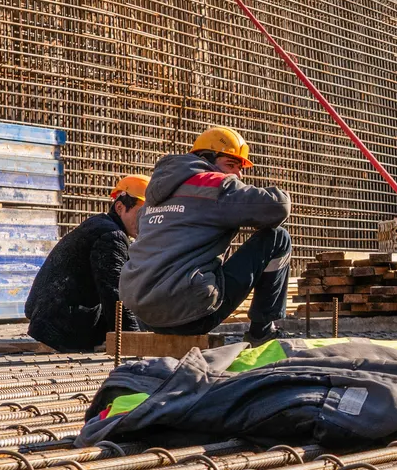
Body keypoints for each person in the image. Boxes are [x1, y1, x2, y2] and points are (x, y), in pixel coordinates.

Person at [119, 126, 291, 343]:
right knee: (277, 238)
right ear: (206, 159)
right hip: (192, 312)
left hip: (145, 315)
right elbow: (278, 206)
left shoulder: (154, 195)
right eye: (231, 165)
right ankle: (263, 330)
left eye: (241, 168)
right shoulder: (212, 185)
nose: (238, 174)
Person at [25, 175, 147, 351]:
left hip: (49, 319)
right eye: (140, 213)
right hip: (61, 327)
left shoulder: (102, 226)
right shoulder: (111, 236)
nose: (145, 222)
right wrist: (134, 342)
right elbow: (114, 292)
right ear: (120, 207)